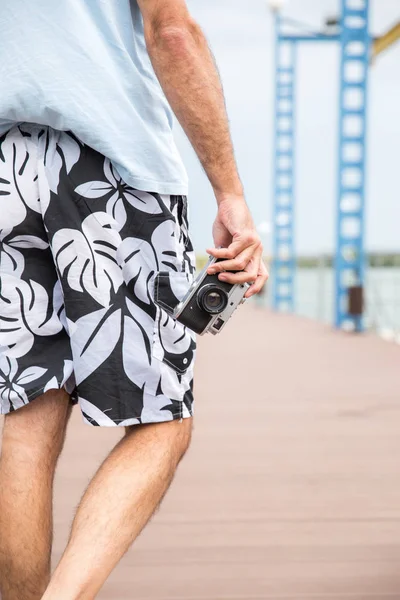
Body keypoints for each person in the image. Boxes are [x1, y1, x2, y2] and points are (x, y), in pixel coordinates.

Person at [0, 0, 269, 598]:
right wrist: (230, 194)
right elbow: (172, 31)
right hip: (110, 164)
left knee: (26, 419)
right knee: (162, 421)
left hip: (7, 171)